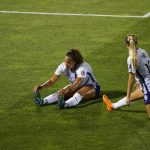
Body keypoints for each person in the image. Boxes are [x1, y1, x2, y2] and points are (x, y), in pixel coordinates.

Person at [33, 49, 100, 109]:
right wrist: (42, 86)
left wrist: (66, 89)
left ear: (75, 62)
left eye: (68, 62)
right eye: (65, 61)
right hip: (74, 86)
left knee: (78, 93)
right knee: (60, 93)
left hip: (92, 87)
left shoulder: (83, 67)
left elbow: (78, 82)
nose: (66, 64)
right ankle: (43, 101)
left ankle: (65, 104)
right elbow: (52, 80)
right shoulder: (62, 66)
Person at [103, 34, 150, 118]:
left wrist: (127, 96)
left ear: (126, 45)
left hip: (148, 87)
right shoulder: (143, 51)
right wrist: (139, 81)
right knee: (134, 95)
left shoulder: (131, 59)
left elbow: (131, 79)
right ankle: (112, 106)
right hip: (146, 84)